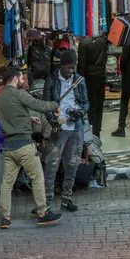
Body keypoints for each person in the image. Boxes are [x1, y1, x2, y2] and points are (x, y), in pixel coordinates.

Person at [0, 66, 62, 229]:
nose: (24, 81)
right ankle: (42, 213)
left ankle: (5, 217)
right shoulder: (19, 94)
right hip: (24, 145)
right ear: (15, 79)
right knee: (37, 177)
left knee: (7, 183)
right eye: (22, 78)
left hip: (8, 146)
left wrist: (28, 118)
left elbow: (11, 116)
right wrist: (55, 104)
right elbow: (38, 105)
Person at [42, 49, 89, 212]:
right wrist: (53, 119)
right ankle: (46, 201)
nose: (71, 71)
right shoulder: (52, 80)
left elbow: (86, 103)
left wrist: (80, 112)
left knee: (72, 163)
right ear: (61, 66)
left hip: (76, 127)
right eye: (68, 67)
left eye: (73, 67)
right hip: (58, 128)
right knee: (51, 165)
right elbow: (46, 104)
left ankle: (66, 199)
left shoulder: (79, 80)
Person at [77, 35, 108, 138]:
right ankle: (97, 132)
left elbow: (81, 64)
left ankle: (90, 133)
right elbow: (105, 58)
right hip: (101, 76)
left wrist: (78, 82)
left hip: (89, 78)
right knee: (99, 106)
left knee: (90, 106)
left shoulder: (84, 43)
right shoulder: (103, 41)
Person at [112, 46, 130, 138]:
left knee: (124, 99)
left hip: (129, 74)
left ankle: (121, 126)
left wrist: (121, 69)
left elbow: (124, 58)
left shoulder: (128, 41)